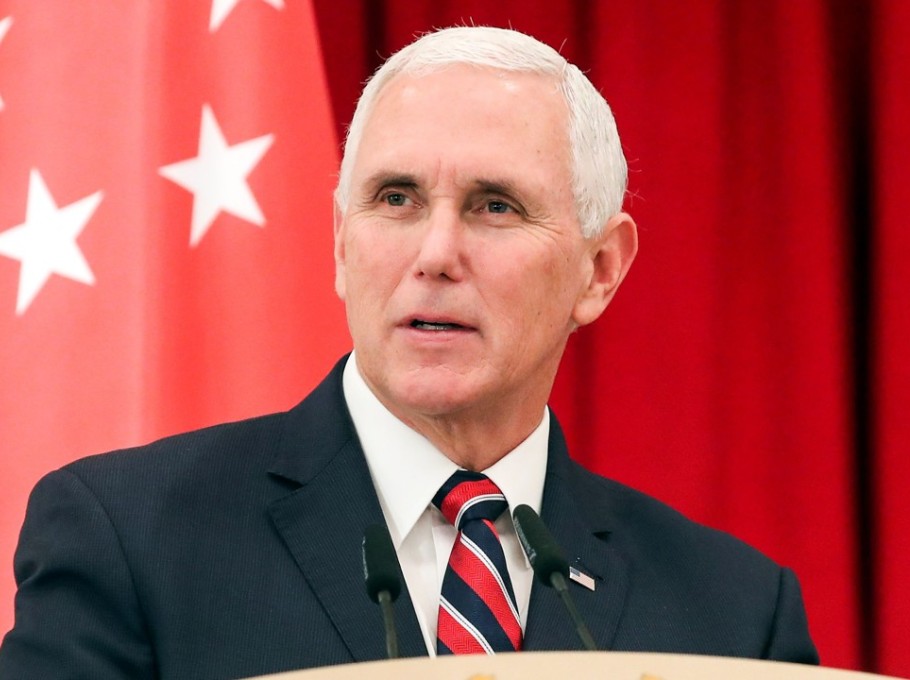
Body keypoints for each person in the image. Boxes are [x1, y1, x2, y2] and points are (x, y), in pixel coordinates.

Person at [0, 26, 818, 679]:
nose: (434, 252)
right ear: (339, 243)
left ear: (599, 271)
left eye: (495, 207)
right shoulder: (129, 539)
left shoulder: (735, 613)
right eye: (396, 199)